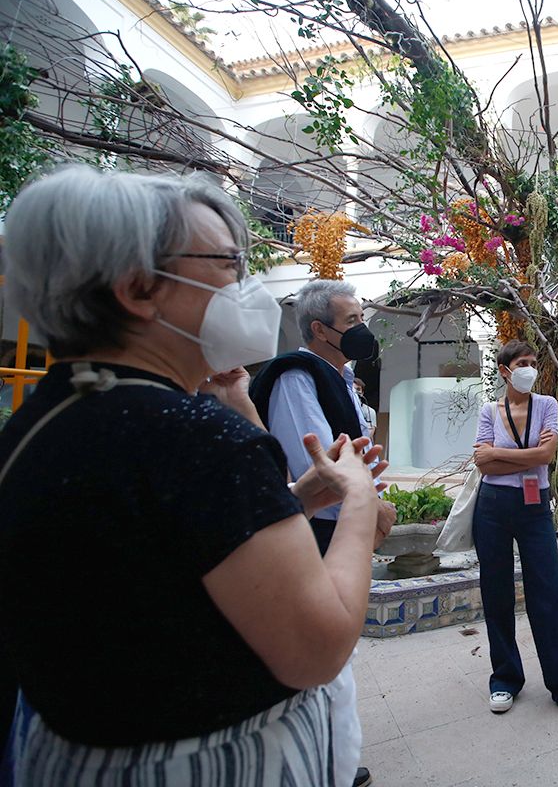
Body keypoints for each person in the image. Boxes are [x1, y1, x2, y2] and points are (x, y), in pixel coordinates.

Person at [0, 166, 389, 785]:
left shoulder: (41, 424)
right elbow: (317, 647)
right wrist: (361, 500)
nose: (247, 286)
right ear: (136, 287)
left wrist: (289, 500)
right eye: (228, 264)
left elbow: (159, 558)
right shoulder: (200, 440)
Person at [249, 280, 394, 787]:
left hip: (343, 523)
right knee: (323, 641)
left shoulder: (341, 376)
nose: (362, 330)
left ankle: (333, 755)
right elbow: (319, 461)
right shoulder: (297, 374)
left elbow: (356, 453)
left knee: (340, 646)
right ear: (319, 329)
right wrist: (366, 504)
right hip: (319, 527)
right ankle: (324, 762)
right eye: (352, 322)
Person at [471, 341, 558, 719]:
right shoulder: (489, 410)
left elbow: (545, 457)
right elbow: (483, 466)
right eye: (521, 363)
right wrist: (512, 459)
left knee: (549, 593)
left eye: (532, 362)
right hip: (492, 508)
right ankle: (505, 679)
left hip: (534, 507)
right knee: (497, 593)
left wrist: (498, 454)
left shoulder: (547, 405)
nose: (529, 368)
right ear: (504, 370)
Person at [353, 377, 378, 442]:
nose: (356, 392)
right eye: (353, 389)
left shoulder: (370, 411)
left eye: (358, 389)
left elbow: (369, 434)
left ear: (362, 392)